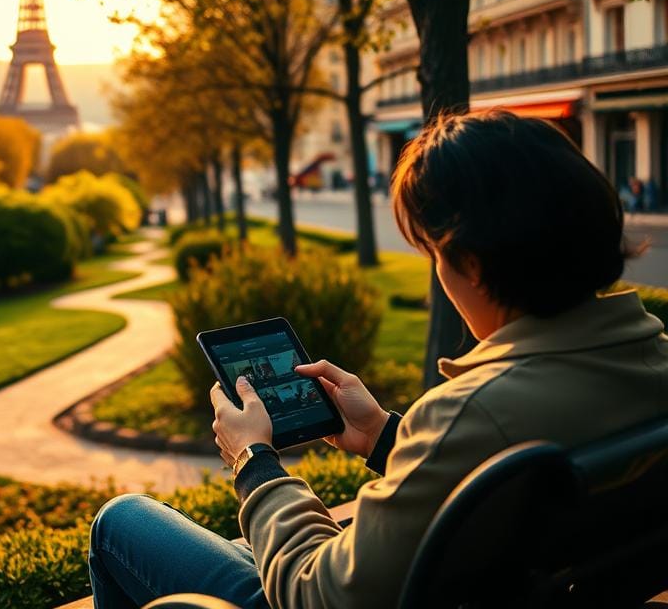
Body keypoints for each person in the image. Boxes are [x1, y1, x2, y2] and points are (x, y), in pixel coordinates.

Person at [87, 110, 668, 609]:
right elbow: (486, 486)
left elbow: (314, 594)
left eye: (433, 253)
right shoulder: (651, 360)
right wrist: (383, 437)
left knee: (122, 520)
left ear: (468, 263)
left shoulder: (476, 411)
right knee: (239, 546)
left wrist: (254, 459)